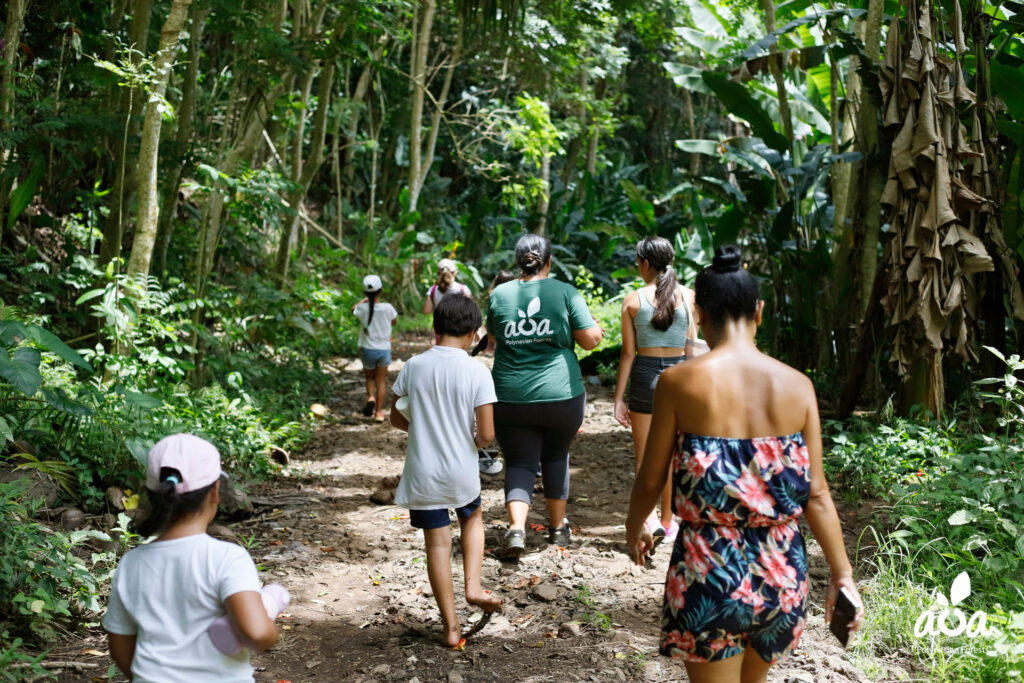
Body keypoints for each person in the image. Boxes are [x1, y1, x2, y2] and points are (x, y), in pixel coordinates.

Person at [625, 246, 864, 683]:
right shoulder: (798, 386)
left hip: (707, 573)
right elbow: (816, 494)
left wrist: (634, 527)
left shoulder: (678, 382)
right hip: (781, 574)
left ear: (698, 312)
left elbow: (651, 477)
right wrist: (842, 575)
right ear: (760, 311)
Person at [104, 434, 279, 682]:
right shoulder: (228, 558)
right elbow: (258, 633)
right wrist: (269, 619)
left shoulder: (131, 563)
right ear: (214, 492)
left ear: (153, 496)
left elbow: (120, 647)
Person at [390, 294, 503, 648]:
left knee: (437, 546)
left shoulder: (414, 366)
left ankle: (451, 628)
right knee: (472, 518)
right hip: (460, 471)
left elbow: (396, 415)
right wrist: (466, 437)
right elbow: (486, 434)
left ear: (435, 328)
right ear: (473, 333)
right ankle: (473, 586)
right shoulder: (477, 371)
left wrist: (424, 427)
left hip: (423, 473)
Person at [487, 234, 603, 559]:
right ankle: (557, 528)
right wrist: (595, 331)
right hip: (561, 395)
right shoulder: (565, 291)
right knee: (555, 456)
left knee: (520, 462)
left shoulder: (500, 294)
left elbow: (494, 335)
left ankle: (516, 529)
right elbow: (590, 340)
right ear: (548, 262)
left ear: (518, 261)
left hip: (510, 396)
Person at [613, 236, 697, 550]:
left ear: (646, 263)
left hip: (646, 377)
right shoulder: (689, 297)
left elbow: (627, 354)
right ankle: (667, 522)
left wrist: (619, 398)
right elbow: (694, 347)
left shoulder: (633, 301)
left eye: (638, 262)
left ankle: (646, 520)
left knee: (645, 459)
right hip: (680, 379)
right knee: (674, 456)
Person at [353, 274, 398, 421]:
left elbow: (353, 309)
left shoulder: (362, 308)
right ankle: (379, 412)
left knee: (370, 379)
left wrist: (364, 300)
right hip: (383, 349)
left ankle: (371, 397)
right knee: (381, 381)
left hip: (367, 349)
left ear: (365, 293)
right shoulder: (388, 308)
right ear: (381, 290)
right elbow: (394, 322)